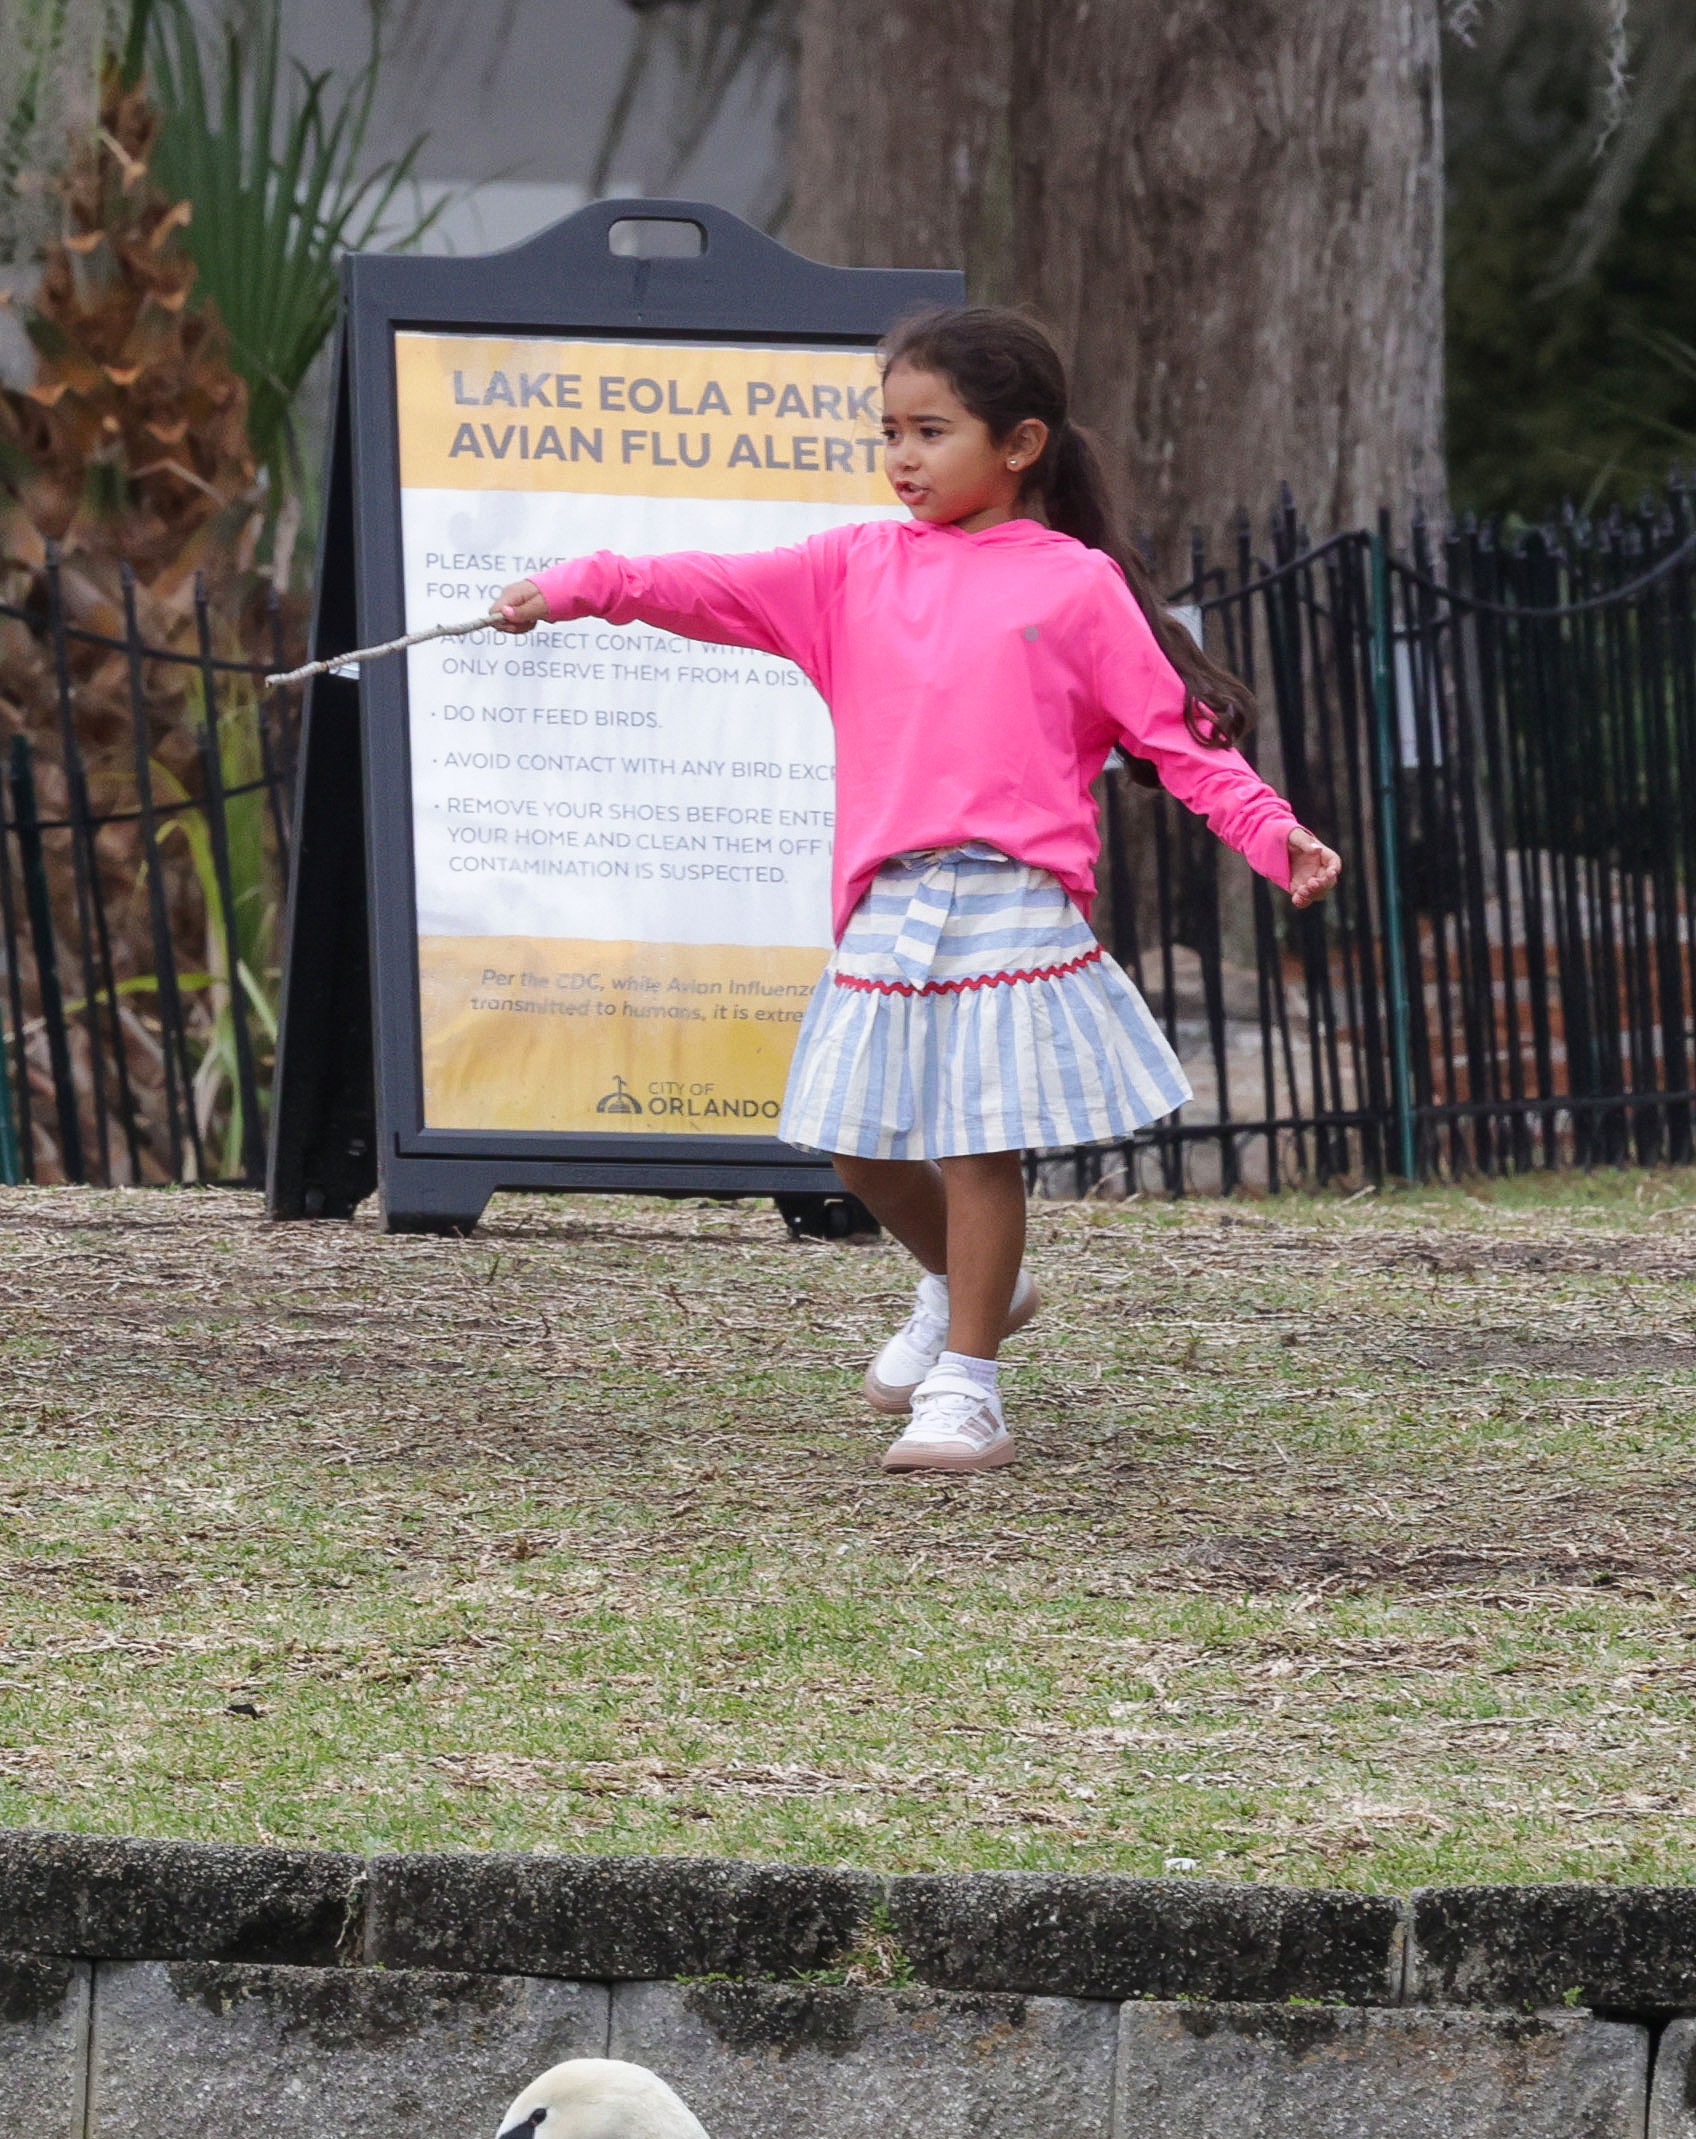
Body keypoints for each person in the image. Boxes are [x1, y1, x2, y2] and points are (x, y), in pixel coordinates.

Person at [488, 306, 1340, 1477]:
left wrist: (1270, 830)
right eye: (889, 430)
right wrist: (575, 585)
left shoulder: (1078, 585)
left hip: (1010, 896)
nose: (900, 457)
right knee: (852, 1144)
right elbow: (696, 585)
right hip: (887, 903)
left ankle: (969, 1386)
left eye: (930, 431)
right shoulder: (849, 568)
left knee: (981, 1143)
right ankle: (969, 1287)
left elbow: (1179, 738)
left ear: (1021, 442)